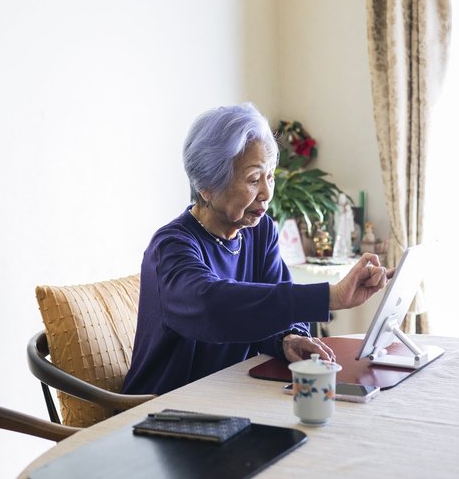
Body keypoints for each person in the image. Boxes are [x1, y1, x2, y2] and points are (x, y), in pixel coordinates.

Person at [122, 103, 391, 396]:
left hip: (232, 395)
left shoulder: (259, 232)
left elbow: (275, 302)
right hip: (164, 409)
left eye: (270, 176)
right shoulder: (171, 248)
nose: (266, 192)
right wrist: (330, 296)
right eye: (253, 179)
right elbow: (215, 308)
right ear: (207, 187)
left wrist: (288, 338)